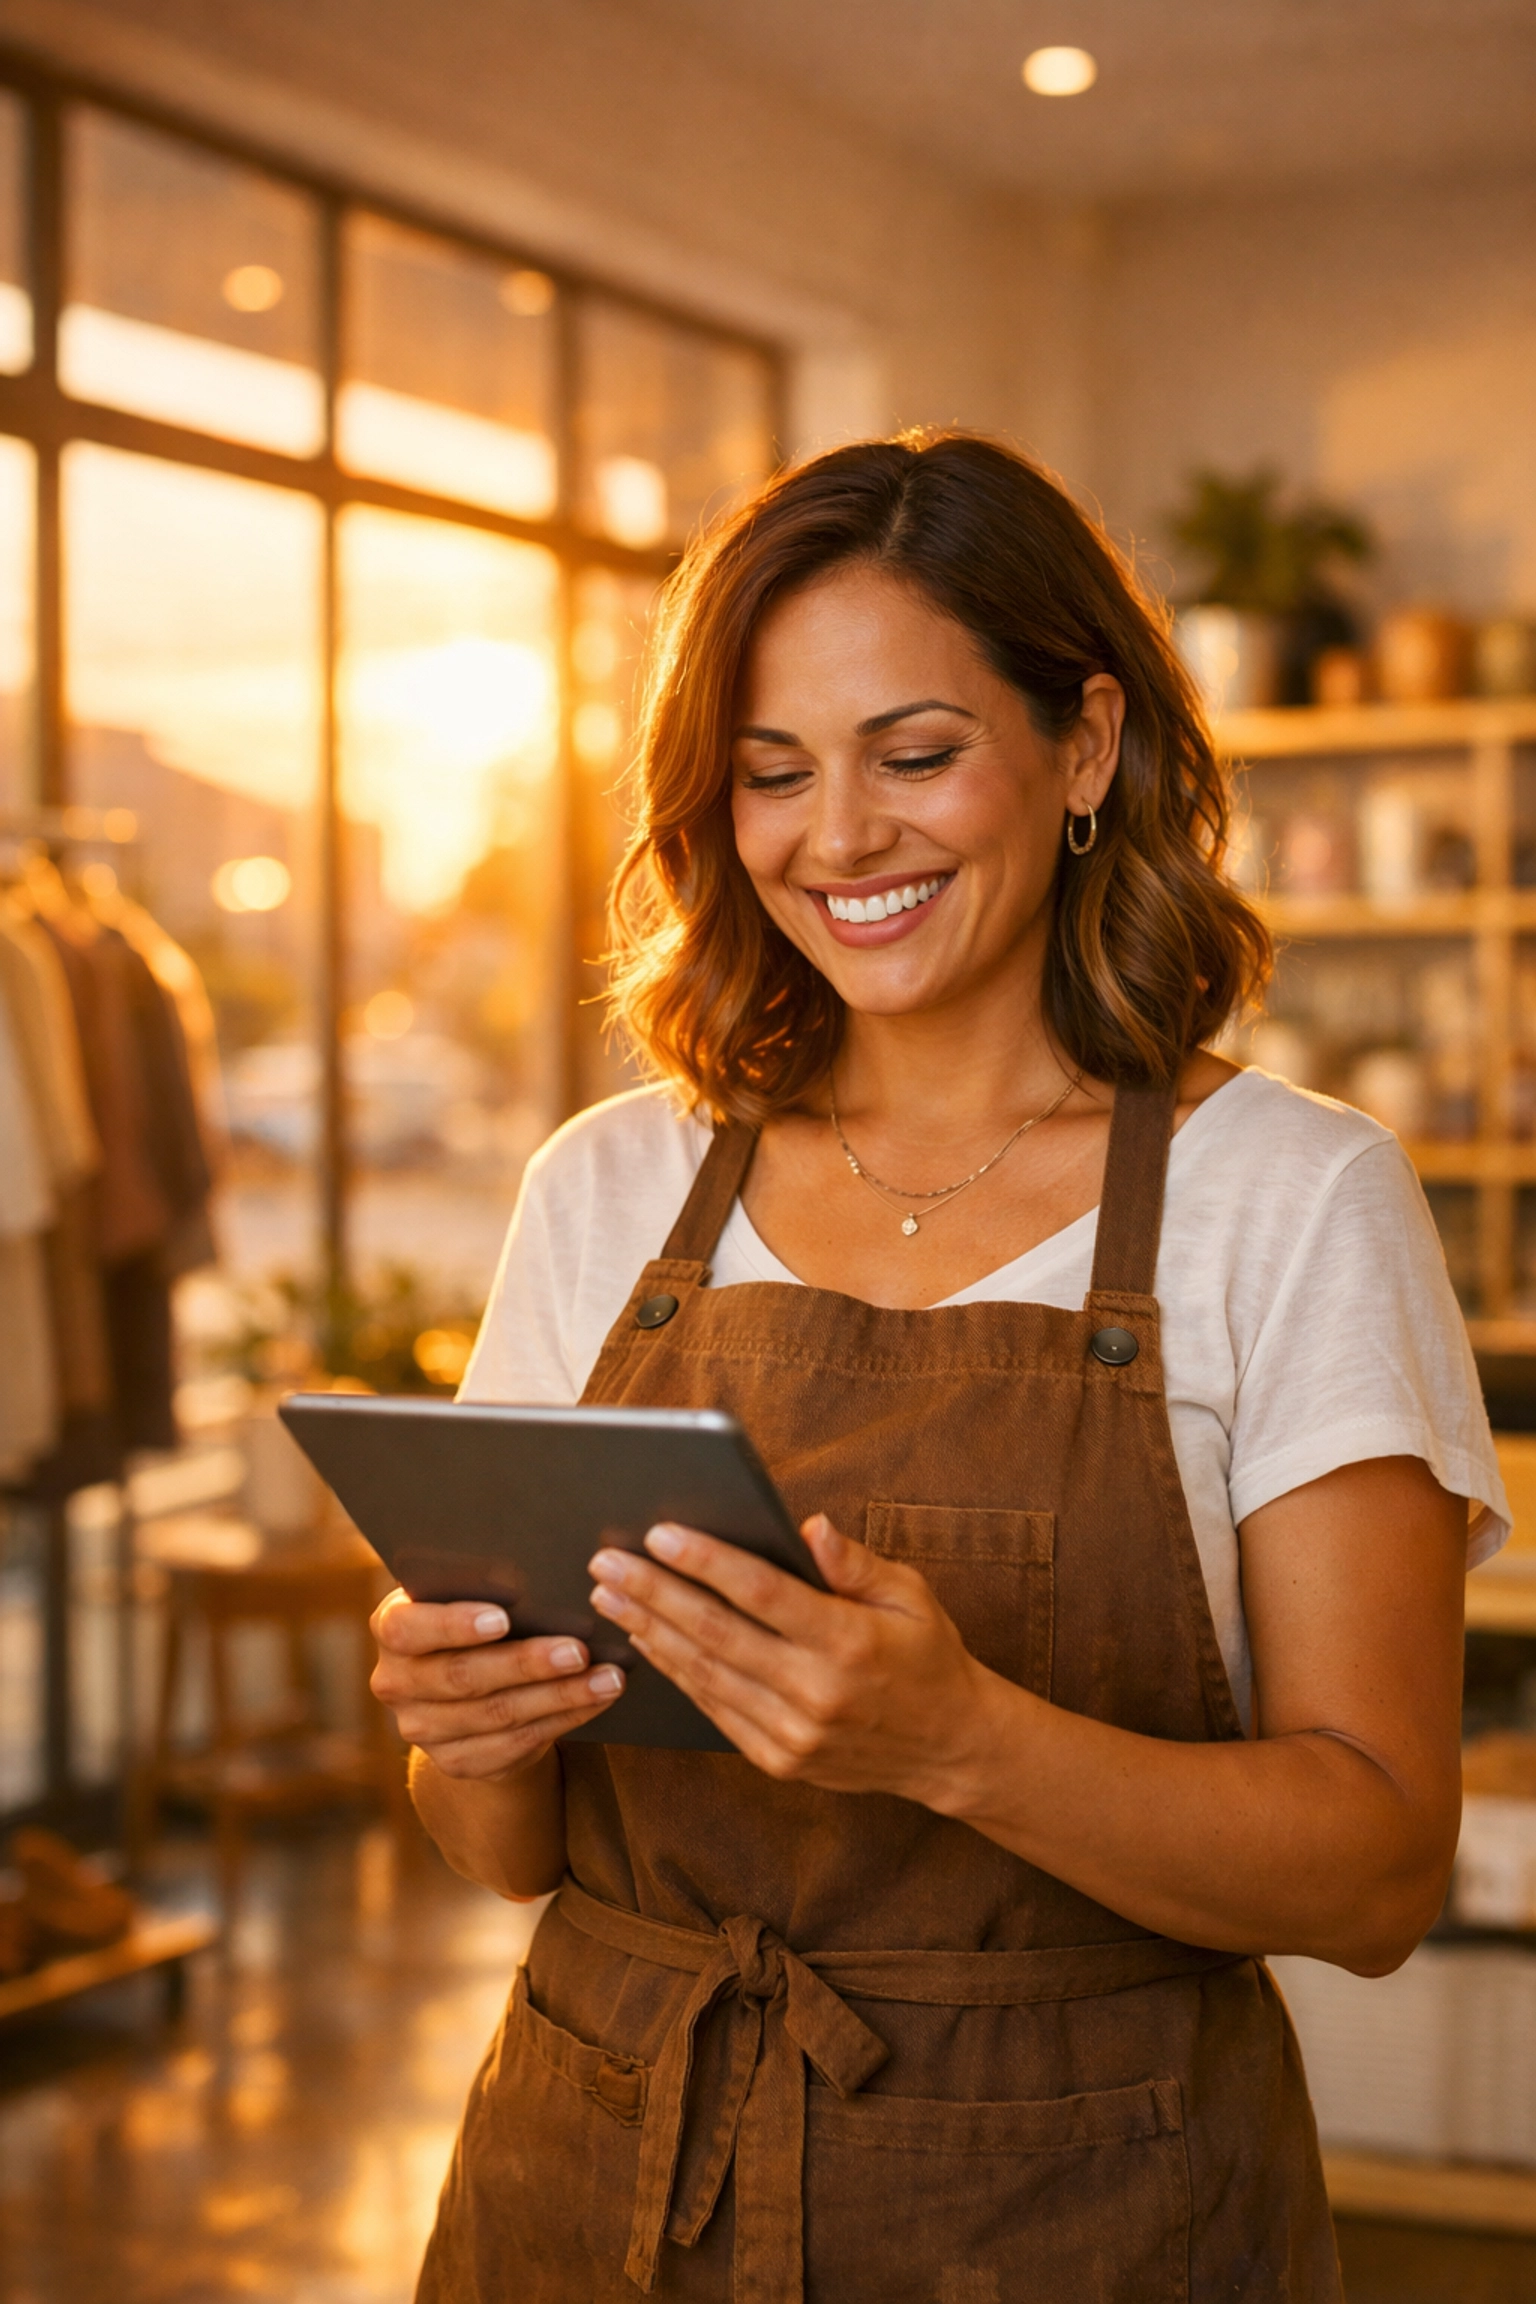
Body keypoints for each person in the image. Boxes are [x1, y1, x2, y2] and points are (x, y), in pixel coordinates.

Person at [371, 432, 1506, 2303]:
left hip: (1093, 2218)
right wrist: (466, 1732)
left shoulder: (1290, 1199)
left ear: (1087, 745)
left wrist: (963, 1744)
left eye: (912, 755)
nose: (839, 837)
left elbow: (1378, 1873)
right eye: (772, 773)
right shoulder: (608, 1186)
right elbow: (502, 1852)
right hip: (588, 2190)